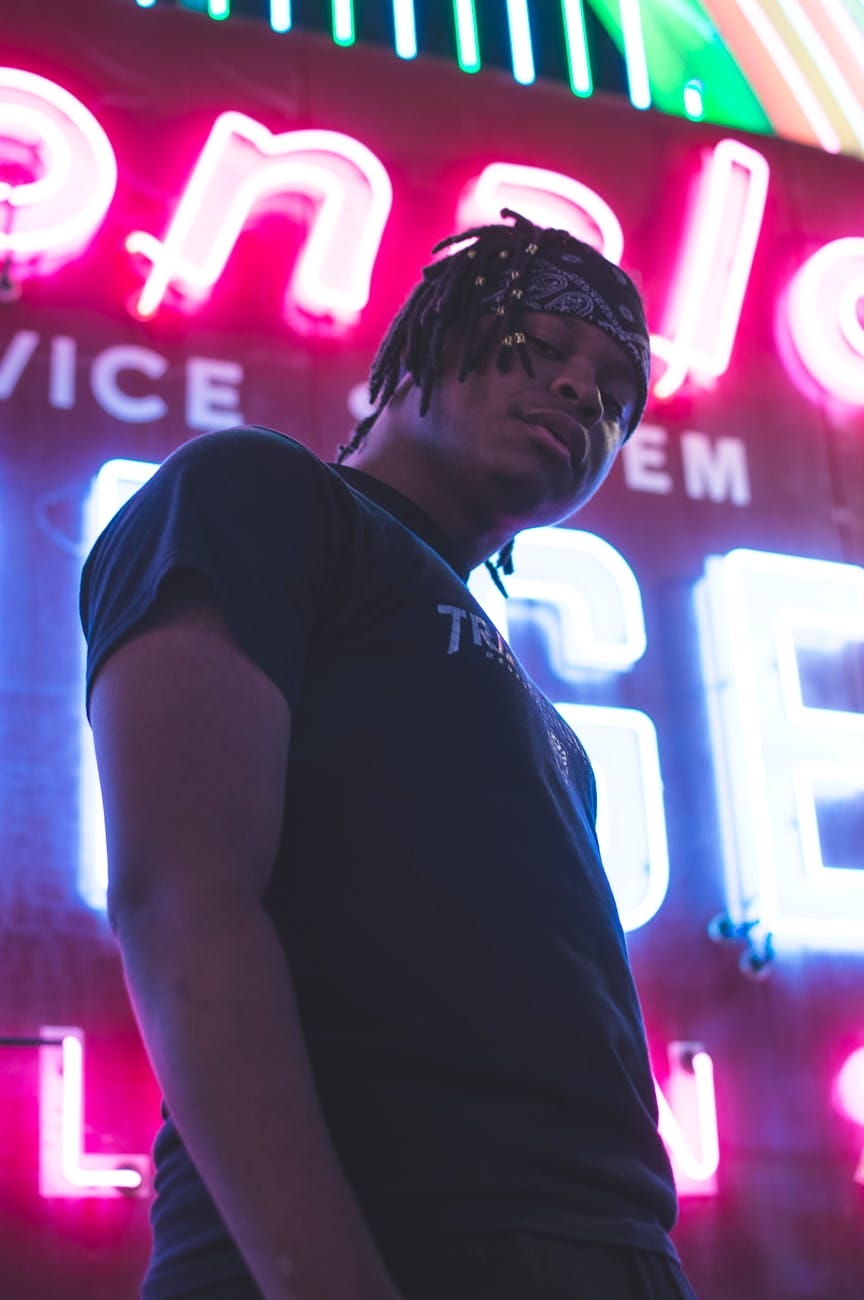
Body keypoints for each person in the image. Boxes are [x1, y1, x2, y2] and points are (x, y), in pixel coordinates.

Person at [81, 211, 698, 1300]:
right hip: (381, 1241)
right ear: (424, 343)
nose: (579, 396)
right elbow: (183, 902)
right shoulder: (256, 495)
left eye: (612, 394)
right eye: (544, 348)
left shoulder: (549, 732)